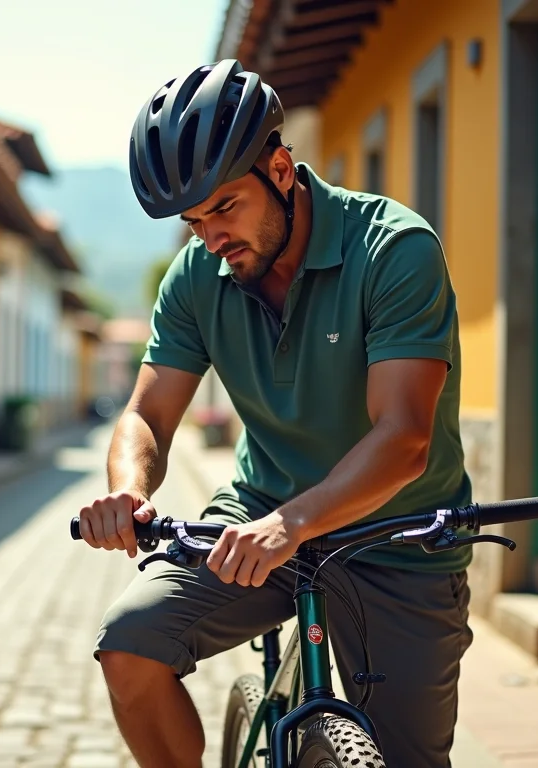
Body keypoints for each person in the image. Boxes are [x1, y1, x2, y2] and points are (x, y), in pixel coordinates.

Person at [76, 59, 472, 767]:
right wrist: (128, 489)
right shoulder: (197, 277)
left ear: (282, 170)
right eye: (194, 222)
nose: (211, 238)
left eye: (225, 207)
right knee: (130, 646)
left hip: (398, 536)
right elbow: (148, 415)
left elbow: (404, 437)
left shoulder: (393, 250)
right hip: (254, 519)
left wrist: (292, 525)